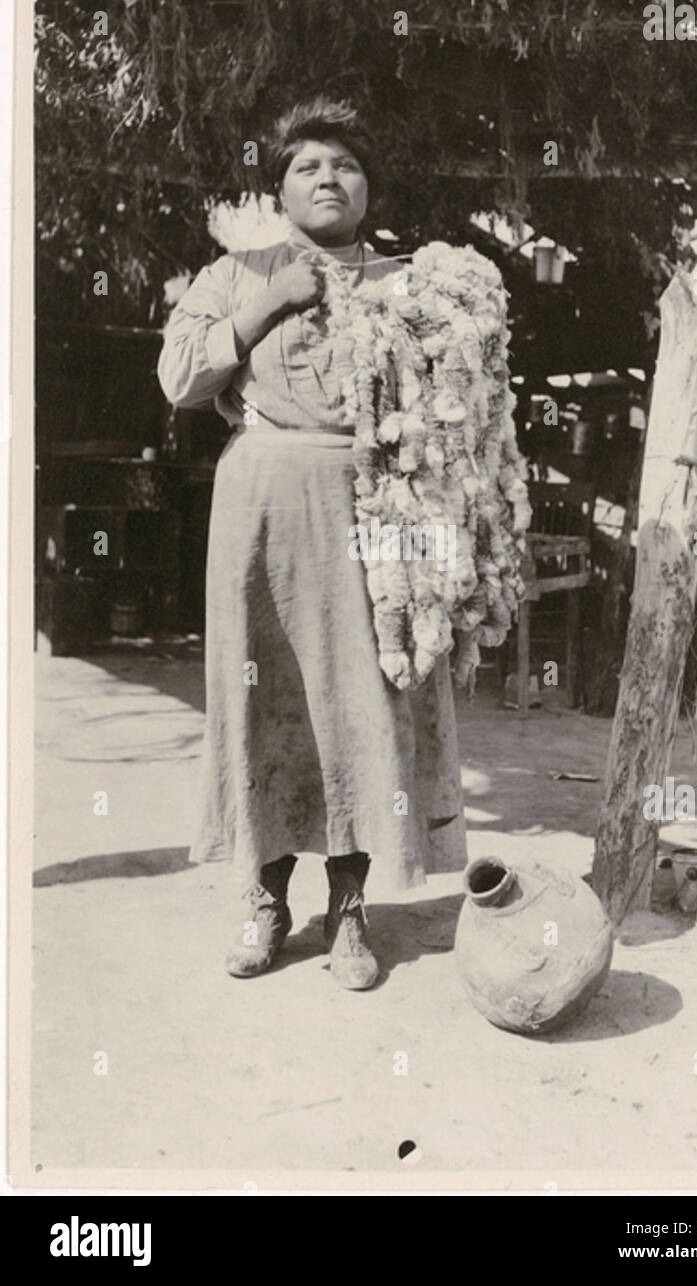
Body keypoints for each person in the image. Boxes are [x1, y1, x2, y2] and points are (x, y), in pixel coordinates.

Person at [158, 98, 467, 990]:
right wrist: (267, 303)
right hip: (261, 507)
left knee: (363, 700)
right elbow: (178, 379)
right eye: (308, 167)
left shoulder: (409, 282)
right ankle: (264, 901)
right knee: (261, 695)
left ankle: (349, 909)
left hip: (372, 507)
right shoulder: (234, 274)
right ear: (280, 190)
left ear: (368, 188)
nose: (328, 178)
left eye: (345, 166)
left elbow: (455, 403)